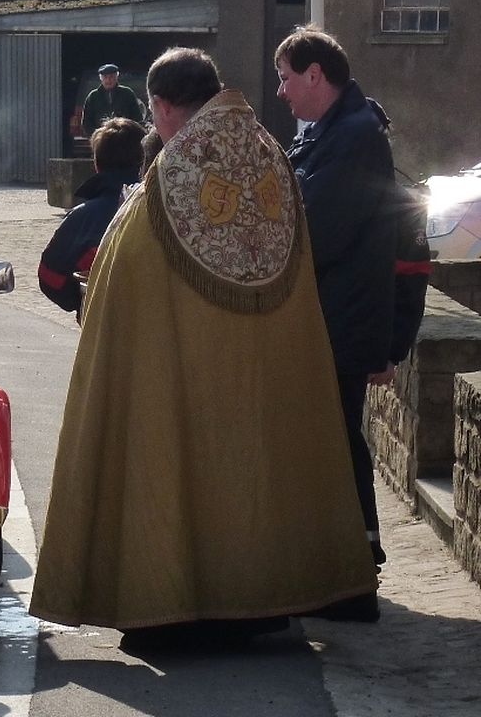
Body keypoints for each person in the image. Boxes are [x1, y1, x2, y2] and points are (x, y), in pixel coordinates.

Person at [29, 47, 379, 646]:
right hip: (265, 371)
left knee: (174, 467)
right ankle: (262, 602)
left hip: (180, 372)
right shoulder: (271, 155)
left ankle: (175, 603)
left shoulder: (170, 175)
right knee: (255, 472)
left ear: (162, 106)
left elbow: (125, 278)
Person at [275, 26, 430, 580]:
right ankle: (346, 562)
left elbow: (317, 230)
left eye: (286, 78)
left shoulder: (354, 136)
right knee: (332, 438)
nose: (281, 91)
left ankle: (354, 568)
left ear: (315, 75)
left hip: (340, 322)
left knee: (335, 440)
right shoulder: (333, 133)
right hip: (333, 317)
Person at [38, 117, 147, 315]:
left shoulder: (81, 218)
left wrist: (81, 299)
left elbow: (50, 278)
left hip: (101, 323)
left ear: (96, 164)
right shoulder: (169, 208)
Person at [79, 64, 144, 138]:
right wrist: (96, 137)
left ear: (116, 77)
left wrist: (130, 136)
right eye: (105, 77)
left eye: (111, 77)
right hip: (100, 139)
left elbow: (137, 118)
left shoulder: (127, 94)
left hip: (124, 138)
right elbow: (86, 122)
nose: (108, 80)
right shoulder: (93, 96)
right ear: (101, 78)